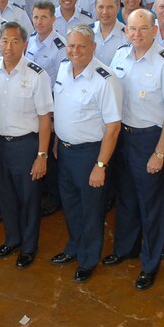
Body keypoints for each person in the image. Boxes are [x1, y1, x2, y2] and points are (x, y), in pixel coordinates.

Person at [107, 10, 164, 289]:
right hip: (123, 137)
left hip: (149, 139)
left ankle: (150, 263)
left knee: (151, 204)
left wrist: (160, 152)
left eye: (143, 29)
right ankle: (125, 248)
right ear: (125, 31)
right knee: (126, 197)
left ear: (154, 30)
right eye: (132, 29)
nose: (137, 34)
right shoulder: (119, 56)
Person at [49, 24, 122, 283]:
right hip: (66, 152)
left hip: (91, 154)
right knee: (71, 205)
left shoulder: (105, 79)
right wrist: (58, 140)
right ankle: (74, 247)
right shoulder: (62, 70)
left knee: (91, 210)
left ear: (93, 47)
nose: (75, 51)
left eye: (82, 46)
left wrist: (101, 165)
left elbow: (113, 128)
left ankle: (88, 258)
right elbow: (62, 109)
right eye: (71, 45)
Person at [0, 22, 54, 269]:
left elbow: (45, 119)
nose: (8, 47)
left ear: (24, 44)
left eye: (14, 41)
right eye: (4, 41)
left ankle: (29, 247)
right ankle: (12, 239)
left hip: (27, 145)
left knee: (30, 198)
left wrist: (42, 154)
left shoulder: (36, 75)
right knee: (6, 196)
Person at [27, 1, 67, 83]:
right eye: (36, 17)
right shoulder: (32, 37)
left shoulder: (61, 48)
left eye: (43, 17)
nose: (39, 22)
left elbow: (62, 80)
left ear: (53, 19)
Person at [93, 0, 126, 64]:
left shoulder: (127, 35)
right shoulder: (87, 32)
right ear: (95, 8)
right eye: (101, 7)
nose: (105, 12)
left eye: (110, 7)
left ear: (117, 8)